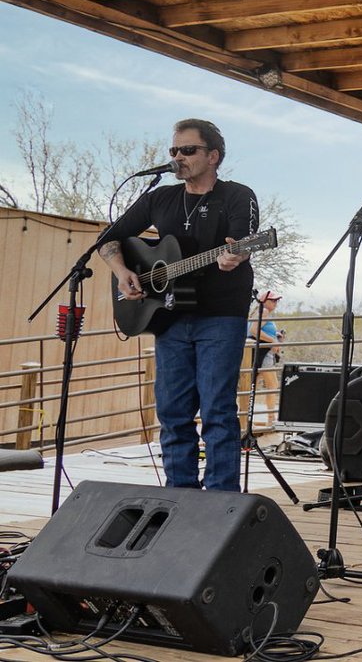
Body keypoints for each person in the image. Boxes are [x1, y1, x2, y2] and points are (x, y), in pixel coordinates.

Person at [99, 118, 258, 492]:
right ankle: (179, 496)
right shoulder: (160, 197)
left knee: (217, 411)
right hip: (168, 317)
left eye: (188, 150)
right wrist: (122, 271)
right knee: (172, 413)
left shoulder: (237, 195)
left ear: (213, 156)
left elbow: (246, 241)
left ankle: (220, 501)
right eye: (174, 151)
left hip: (220, 315)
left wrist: (237, 254)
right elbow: (109, 238)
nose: (178, 157)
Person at [247, 290, 283, 427]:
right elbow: (254, 331)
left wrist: (276, 335)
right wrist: (273, 341)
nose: (275, 303)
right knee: (272, 385)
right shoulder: (264, 312)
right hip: (263, 353)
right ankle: (270, 419)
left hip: (258, 352)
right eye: (273, 300)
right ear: (264, 301)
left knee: (252, 386)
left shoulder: (258, 312)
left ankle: (247, 419)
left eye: (276, 300)